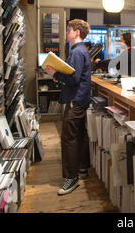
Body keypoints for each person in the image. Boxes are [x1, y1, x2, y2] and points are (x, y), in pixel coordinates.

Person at [44, 19, 92, 195]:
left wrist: (54, 73)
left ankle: (71, 178)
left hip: (74, 100)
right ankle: (81, 168)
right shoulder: (80, 51)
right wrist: (59, 75)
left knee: (69, 139)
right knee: (79, 135)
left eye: (69, 30)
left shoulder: (77, 52)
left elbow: (73, 79)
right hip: (79, 99)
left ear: (77, 32)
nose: (67, 33)